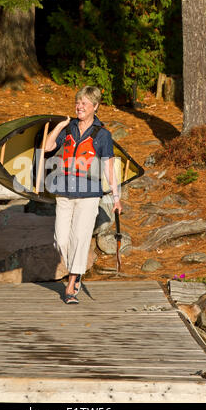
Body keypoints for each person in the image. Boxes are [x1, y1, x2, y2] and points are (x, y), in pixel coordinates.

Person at [45, 86, 122, 304]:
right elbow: (49, 146)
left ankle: (72, 281)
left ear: (95, 107)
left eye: (84, 103)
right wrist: (59, 125)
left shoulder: (103, 135)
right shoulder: (68, 128)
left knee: (80, 237)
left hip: (89, 195)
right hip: (64, 191)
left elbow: (109, 168)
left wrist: (116, 198)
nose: (79, 106)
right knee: (60, 240)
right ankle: (75, 270)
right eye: (78, 102)